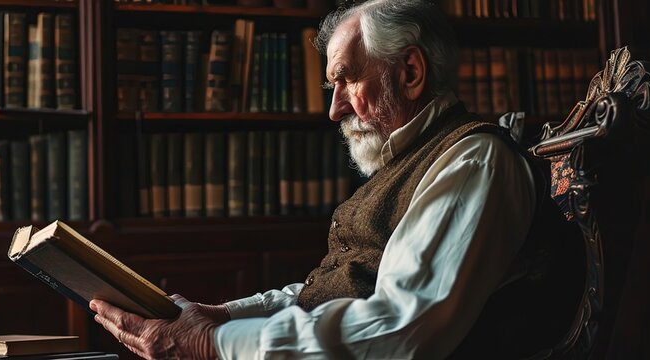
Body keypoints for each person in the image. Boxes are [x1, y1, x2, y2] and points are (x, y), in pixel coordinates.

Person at [91, 0, 582, 358]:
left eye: (346, 79)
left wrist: (210, 343)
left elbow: (398, 328)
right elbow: (334, 287)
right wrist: (223, 314)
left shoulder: (473, 163)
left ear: (410, 71)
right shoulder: (409, 160)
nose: (333, 109)